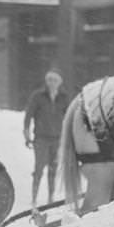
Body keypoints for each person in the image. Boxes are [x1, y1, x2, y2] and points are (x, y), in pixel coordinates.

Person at [23, 68, 69, 210]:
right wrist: (26, 133)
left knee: (53, 169)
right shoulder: (38, 96)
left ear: (60, 82)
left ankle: (51, 197)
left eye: (55, 80)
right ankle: (34, 197)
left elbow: (69, 117)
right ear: (46, 81)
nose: (52, 83)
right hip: (41, 138)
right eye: (49, 79)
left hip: (57, 138)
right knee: (39, 168)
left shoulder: (64, 97)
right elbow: (29, 114)